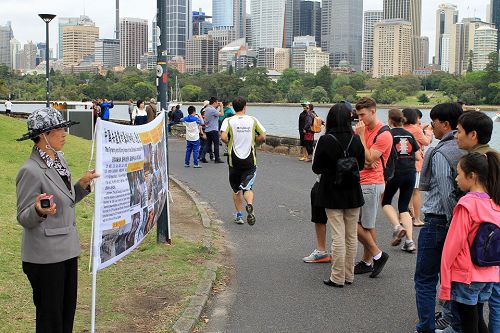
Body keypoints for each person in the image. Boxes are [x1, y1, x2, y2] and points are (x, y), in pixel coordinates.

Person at [16, 107, 99, 333]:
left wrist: (81, 186)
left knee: (66, 314)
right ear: (43, 135)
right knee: (50, 319)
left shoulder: (59, 159)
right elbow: (24, 217)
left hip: (67, 250)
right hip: (45, 257)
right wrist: (39, 210)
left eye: (64, 128)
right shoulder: (30, 170)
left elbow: (66, 200)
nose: (64, 133)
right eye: (59, 129)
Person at [414, 102, 465, 333]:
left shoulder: (441, 152)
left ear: (445, 124)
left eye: (433, 123)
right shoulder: (467, 148)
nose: (431, 128)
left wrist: (455, 223)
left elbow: (446, 193)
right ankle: (452, 322)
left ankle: (426, 327)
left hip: (438, 222)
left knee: (425, 279)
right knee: (456, 278)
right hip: (460, 224)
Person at [439, 152, 500, 333]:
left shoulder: (467, 204)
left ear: (472, 176)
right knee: (477, 320)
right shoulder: (494, 204)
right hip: (488, 274)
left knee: (467, 325)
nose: (456, 178)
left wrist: (445, 283)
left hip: (466, 275)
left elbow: (452, 246)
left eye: (458, 173)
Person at [454, 110, 499, 333]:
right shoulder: (493, 157)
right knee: (489, 304)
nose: (456, 135)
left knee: (473, 311)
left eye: (459, 131)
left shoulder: (478, 163)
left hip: (476, 254)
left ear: (473, 135)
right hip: (492, 247)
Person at [311, 103, 365, 287]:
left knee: (337, 236)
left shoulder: (326, 140)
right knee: (351, 236)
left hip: (331, 192)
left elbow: (316, 167)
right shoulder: (356, 139)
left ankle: (337, 276)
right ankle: (349, 275)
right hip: (353, 192)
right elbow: (362, 164)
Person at [353, 97, 392, 278]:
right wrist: (366, 158)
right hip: (361, 180)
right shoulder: (365, 128)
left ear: (373, 111)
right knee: (364, 224)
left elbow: (369, 159)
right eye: (358, 114)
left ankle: (374, 257)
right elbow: (360, 156)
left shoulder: (383, 134)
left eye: (363, 114)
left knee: (361, 224)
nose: (360, 119)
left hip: (372, 182)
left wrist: (360, 137)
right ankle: (369, 260)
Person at [220, 96, 266, 225]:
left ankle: (239, 215)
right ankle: (249, 205)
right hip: (249, 161)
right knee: (248, 187)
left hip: (233, 161)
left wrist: (229, 143)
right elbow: (263, 136)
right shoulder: (252, 120)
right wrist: (255, 142)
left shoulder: (228, 120)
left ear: (233, 107)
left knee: (235, 190)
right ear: (245, 106)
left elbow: (223, 136)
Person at [381, 109, 420, 253]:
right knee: (404, 207)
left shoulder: (389, 134)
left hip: (395, 173)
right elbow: (417, 157)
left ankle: (397, 226)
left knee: (386, 201)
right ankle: (410, 242)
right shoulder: (409, 134)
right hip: (410, 172)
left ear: (390, 120)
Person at [403, 108, 433, 227]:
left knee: (406, 191)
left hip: (401, 164)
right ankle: (417, 219)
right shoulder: (416, 129)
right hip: (415, 164)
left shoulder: (399, 128)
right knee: (416, 192)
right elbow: (426, 142)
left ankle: (405, 215)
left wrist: (422, 128)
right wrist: (429, 131)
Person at [201, 97, 224, 164]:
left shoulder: (207, 109)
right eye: (217, 102)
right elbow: (222, 114)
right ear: (214, 103)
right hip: (213, 129)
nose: (218, 104)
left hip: (208, 129)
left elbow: (215, 112)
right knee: (216, 144)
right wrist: (221, 106)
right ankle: (217, 158)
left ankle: (202, 157)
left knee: (208, 144)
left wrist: (218, 106)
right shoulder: (212, 110)